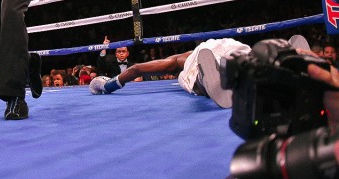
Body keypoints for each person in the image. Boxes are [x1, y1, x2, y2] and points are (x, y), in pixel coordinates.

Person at [90, 38, 254, 108]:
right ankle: (247, 69)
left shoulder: (177, 61)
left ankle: (204, 80)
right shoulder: (199, 50)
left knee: (187, 78)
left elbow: (136, 69)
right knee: (246, 57)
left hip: (200, 59)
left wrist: (107, 85)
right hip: (231, 45)